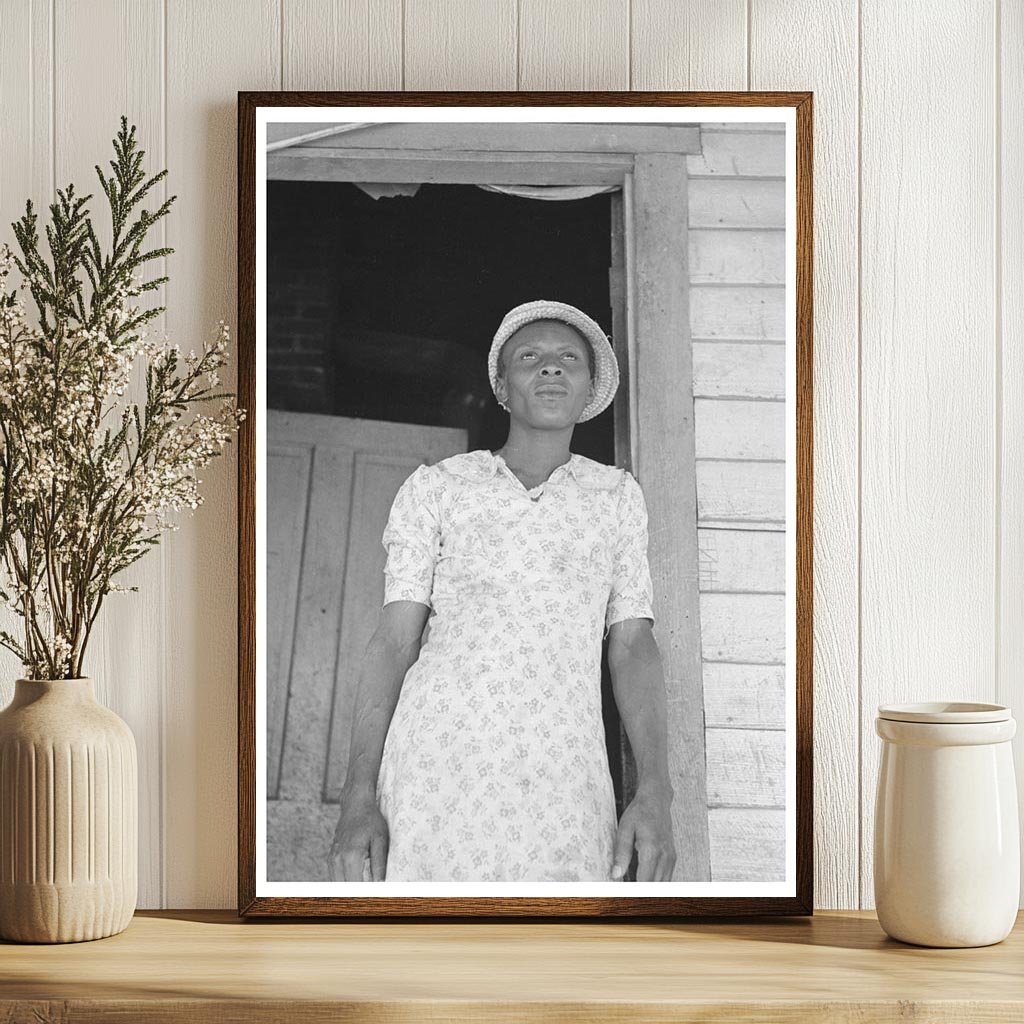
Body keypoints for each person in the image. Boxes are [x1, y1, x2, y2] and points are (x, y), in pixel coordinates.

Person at [329, 299, 676, 883]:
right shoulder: (439, 489)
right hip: (434, 768)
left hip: (563, 777)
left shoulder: (615, 497)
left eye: (569, 358)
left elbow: (633, 644)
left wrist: (656, 793)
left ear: (590, 388)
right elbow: (393, 642)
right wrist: (357, 794)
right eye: (529, 357)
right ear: (502, 386)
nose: (550, 368)